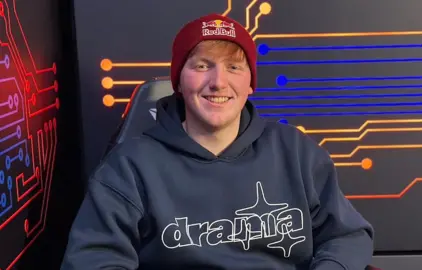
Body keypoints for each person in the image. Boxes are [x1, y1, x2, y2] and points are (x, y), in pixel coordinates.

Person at [61, 13, 374, 270]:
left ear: (250, 83)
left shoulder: (296, 152)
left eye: (234, 67)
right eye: (202, 66)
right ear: (179, 82)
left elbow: (347, 236)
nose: (218, 82)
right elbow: (94, 260)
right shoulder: (128, 167)